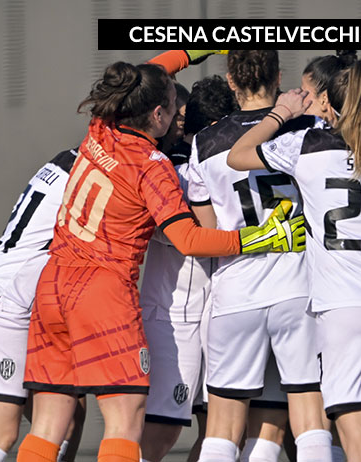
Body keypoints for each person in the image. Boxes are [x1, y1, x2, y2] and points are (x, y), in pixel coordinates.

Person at [15, 53, 305, 462]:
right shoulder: (152, 166)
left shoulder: (101, 128)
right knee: (126, 421)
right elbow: (188, 239)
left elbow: (146, 76)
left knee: (48, 425)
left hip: (54, 286)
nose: (179, 116)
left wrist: (191, 49)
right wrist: (260, 237)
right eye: (173, 107)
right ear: (158, 114)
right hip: (101, 291)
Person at [228, 59, 361, 462]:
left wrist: (281, 113)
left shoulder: (306, 146)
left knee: (357, 426)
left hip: (347, 305)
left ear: (327, 102)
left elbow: (238, 155)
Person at [188, 50, 332, 462]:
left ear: (231, 81)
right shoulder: (310, 129)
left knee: (222, 429)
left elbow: (210, 230)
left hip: (236, 291)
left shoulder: (205, 142)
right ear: (279, 76)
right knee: (310, 418)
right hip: (300, 287)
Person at [0, 148, 86, 462]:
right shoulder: (93, 170)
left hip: (15, 303)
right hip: (3, 306)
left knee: (67, 419)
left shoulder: (70, 158)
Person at [138, 75, 238, 462]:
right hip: (174, 318)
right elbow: (180, 233)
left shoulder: (230, 167)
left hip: (218, 314)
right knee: (159, 435)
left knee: (222, 431)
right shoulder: (170, 171)